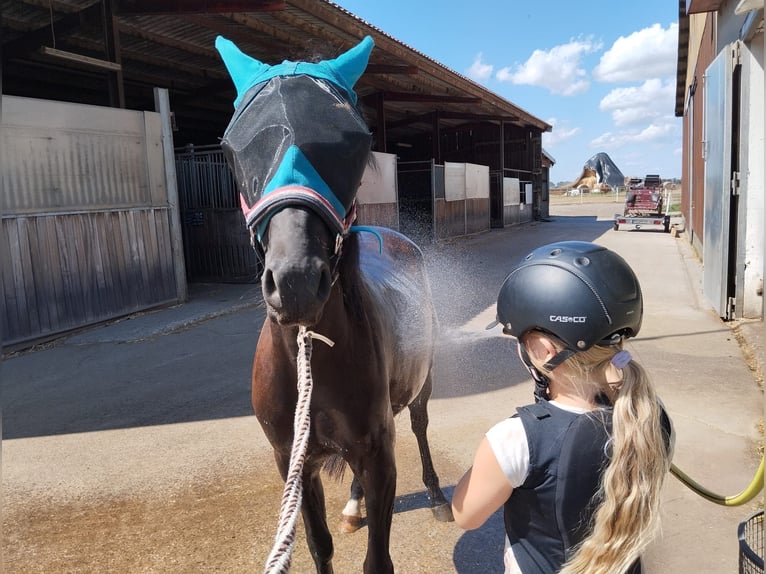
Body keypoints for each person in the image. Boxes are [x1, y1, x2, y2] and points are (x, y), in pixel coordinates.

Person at [451, 240, 673, 574]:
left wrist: (488, 460)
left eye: (519, 339)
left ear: (543, 349)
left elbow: (466, 514)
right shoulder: (650, 415)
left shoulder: (517, 439)